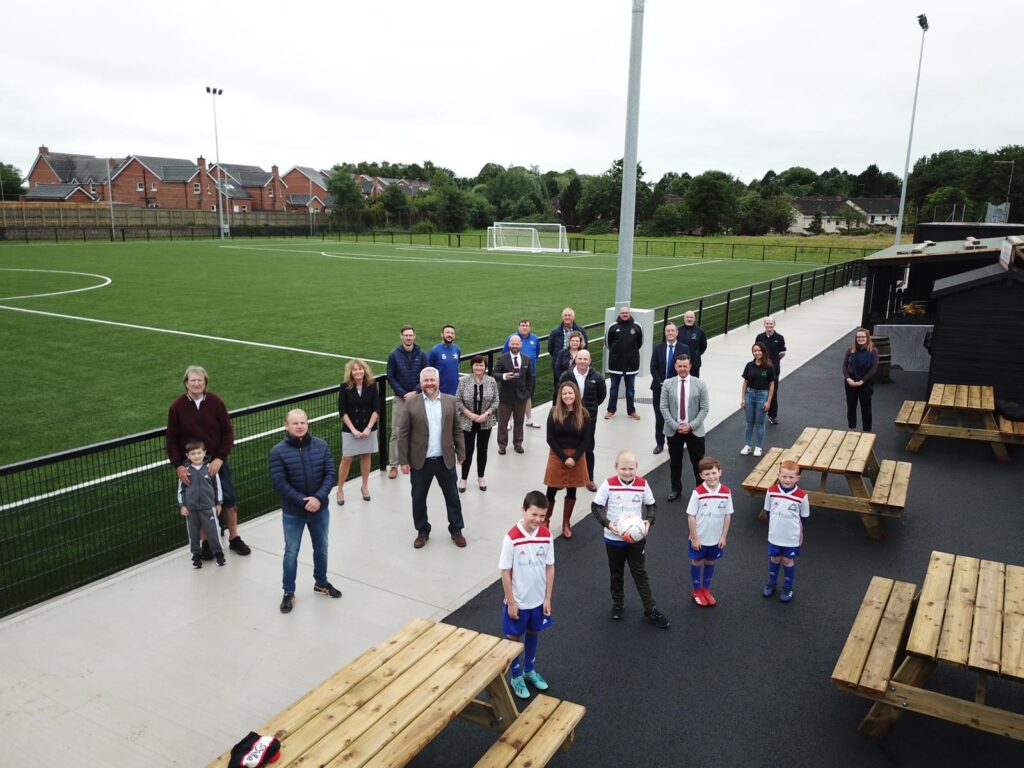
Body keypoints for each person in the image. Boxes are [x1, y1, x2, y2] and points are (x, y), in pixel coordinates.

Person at [166, 365, 251, 559]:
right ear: (186, 383)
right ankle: (206, 543)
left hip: (217, 462)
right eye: (192, 380)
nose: (196, 384)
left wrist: (220, 457)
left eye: (200, 380)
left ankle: (234, 538)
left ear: (205, 383)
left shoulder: (215, 402)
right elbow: (171, 438)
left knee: (228, 499)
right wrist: (179, 465)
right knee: (199, 503)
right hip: (191, 465)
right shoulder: (177, 407)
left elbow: (227, 431)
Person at [269, 409, 340, 614]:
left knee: (322, 548)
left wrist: (318, 498)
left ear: (308, 424)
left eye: (303, 422)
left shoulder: (321, 445)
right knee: (291, 552)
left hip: (320, 509)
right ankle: (288, 591)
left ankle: (321, 583)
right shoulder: (277, 452)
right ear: (286, 425)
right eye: (295, 423)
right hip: (293, 512)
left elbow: (330, 473)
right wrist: (303, 502)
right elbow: (280, 483)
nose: (300, 426)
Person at [590, 449, 670, 628]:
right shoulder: (609, 484)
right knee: (616, 573)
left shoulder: (642, 484)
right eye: (623, 469)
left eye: (631, 468)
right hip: (614, 539)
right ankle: (618, 605)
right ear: (616, 467)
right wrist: (608, 523)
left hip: (636, 539)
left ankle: (650, 609)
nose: (627, 472)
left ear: (636, 468)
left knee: (640, 573)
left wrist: (649, 521)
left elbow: (651, 505)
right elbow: (596, 507)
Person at [396, 367, 466, 549]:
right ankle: (422, 531)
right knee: (418, 499)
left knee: (452, 498)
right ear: (421, 383)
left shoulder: (451, 401)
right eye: (426, 380)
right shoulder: (411, 403)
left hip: (445, 460)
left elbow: (457, 430)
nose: (429, 383)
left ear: (438, 381)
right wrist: (403, 461)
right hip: (421, 462)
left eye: (432, 380)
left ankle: (456, 530)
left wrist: (461, 452)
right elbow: (403, 434)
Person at [500, 490, 555, 700]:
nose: (538, 520)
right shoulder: (511, 538)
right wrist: (512, 602)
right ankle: (515, 676)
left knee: (534, 632)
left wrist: (547, 598)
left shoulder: (546, 535)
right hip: (519, 602)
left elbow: (550, 567)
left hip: (538, 601)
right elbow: (505, 572)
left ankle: (529, 670)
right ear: (523, 510)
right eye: (534, 514)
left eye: (542, 516)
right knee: (514, 638)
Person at [543, 381, 590, 539]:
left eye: (570, 393)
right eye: (564, 394)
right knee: (551, 491)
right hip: (558, 456)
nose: (568, 396)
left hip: (577, 457)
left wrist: (574, 458)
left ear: (575, 394)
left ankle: (566, 523)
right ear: (560, 396)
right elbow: (550, 438)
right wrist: (564, 458)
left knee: (572, 490)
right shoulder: (554, 412)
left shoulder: (583, 414)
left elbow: (586, 440)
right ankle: (545, 522)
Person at [660, 355, 710, 501]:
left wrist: (691, 425)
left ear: (690, 366)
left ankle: (700, 490)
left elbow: (704, 408)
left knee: (698, 463)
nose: (682, 369)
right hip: (673, 430)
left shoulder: (700, 384)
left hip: (694, 430)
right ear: (675, 367)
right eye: (679, 366)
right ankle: (676, 489)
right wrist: (676, 426)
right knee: (675, 462)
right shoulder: (668, 384)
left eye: (685, 366)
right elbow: (663, 407)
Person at [685, 457, 733, 607]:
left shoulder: (726, 492)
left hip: (716, 539)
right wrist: (694, 538)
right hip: (700, 538)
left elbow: (727, 515)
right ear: (701, 476)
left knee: (711, 561)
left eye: (713, 473)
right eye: (707, 474)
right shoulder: (697, 493)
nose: (711, 477)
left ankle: (706, 589)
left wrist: (724, 536)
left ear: (720, 472)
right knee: (698, 561)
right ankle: (696, 590)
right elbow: (691, 516)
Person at [761, 459, 810, 603]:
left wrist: (796, 531)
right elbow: (768, 511)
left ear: (797, 478)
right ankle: (771, 584)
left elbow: (804, 517)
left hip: (791, 537)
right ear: (778, 475)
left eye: (791, 477)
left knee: (788, 560)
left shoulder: (802, 496)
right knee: (775, 558)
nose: (787, 480)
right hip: (775, 535)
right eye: (784, 476)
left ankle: (788, 588)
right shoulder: (771, 491)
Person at [558, 349, 606, 491]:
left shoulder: (597, 377)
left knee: (588, 448)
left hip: (589, 419)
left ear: (590, 361)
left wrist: (587, 410)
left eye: (586, 359)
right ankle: (563, 478)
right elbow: (559, 394)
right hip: (568, 418)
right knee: (566, 447)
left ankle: (589, 479)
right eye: (580, 359)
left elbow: (601, 396)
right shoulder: (566, 376)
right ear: (575, 360)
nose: (583, 362)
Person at [386, 325, 429, 479]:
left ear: (414, 336)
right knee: (396, 432)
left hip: (418, 398)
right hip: (400, 398)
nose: (408, 338)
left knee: (419, 430)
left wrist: (416, 391)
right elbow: (390, 376)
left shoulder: (422, 354)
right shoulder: (394, 355)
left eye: (411, 335)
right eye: (406, 335)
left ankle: (416, 460)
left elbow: (425, 374)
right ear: (401, 336)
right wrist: (403, 393)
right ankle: (393, 465)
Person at [337, 358, 379, 505]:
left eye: (360, 369)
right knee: (346, 458)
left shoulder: (372, 386)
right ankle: (340, 489)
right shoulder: (344, 387)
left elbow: (376, 409)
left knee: (366, 456)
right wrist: (353, 430)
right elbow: (342, 411)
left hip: (369, 428)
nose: (358, 372)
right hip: (350, 429)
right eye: (355, 369)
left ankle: (364, 487)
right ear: (350, 372)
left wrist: (368, 428)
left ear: (364, 370)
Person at [177, 439, 224, 569]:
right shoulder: (186, 471)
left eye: (199, 453)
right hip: (191, 509)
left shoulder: (210, 469)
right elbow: (181, 490)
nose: (196, 456)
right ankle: (196, 556)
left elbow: (217, 487)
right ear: (187, 456)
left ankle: (219, 554)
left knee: (214, 531)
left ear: (204, 453)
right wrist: (182, 505)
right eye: (193, 454)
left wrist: (218, 503)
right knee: (193, 534)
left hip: (208, 507)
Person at [455, 355, 498, 492]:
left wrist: (486, 414)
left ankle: (481, 477)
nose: (479, 367)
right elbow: (458, 400)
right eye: (476, 365)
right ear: (472, 366)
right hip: (467, 422)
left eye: (481, 365)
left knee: (482, 450)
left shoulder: (491, 381)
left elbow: (496, 400)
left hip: (486, 422)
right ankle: (463, 478)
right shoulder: (464, 381)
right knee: (467, 451)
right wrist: (471, 415)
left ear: (485, 367)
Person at [649, 322, 689, 455]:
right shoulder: (658, 348)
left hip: (677, 389)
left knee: (674, 416)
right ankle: (659, 443)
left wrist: (672, 383)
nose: (670, 333)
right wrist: (661, 382)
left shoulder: (684, 348)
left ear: (677, 333)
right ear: (665, 333)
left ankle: (674, 442)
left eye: (672, 331)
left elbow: (686, 368)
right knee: (660, 417)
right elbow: (653, 367)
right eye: (668, 331)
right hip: (659, 388)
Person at [493, 335, 534, 455]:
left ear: (520, 345)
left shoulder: (526, 359)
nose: (514, 346)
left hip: (521, 397)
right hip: (505, 398)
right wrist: (504, 376)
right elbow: (494, 374)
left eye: (517, 344)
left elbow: (529, 378)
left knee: (519, 422)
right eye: (512, 344)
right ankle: (502, 445)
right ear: (509, 345)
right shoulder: (502, 358)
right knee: (503, 423)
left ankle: (518, 444)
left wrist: (527, 393)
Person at [605, 305, 643, 420]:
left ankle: (631, 411)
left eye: (626, 312)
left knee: (630, 389)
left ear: (630, 313)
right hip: (615, 364)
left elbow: (640, 343)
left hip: (631, 364)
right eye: (623, 313)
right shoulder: (613, 327)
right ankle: (611, 410)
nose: (625, 314)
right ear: (619, 314)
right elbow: (608, 343)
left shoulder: (637, 327)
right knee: (613, 389)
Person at [740, 342, 776, 458]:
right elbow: (745, 382)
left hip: (762, 395)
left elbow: (771, 385)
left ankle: (759, 447)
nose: (757, 352)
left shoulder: (769, 367)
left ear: (763, 351)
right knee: (749, 422)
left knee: (760, 423)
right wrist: (743, 398)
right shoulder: (749, 365)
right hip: (750, 395)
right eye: (755, 351)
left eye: (759, 350)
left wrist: (768, 401)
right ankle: (747, 445)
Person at [503, 319, 542, 428]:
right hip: (514, 373)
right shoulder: (512, 338)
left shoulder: (534, 339)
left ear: (530, 327)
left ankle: (529, 420)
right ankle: (509, 422)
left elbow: (536, 353)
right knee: (511, 396)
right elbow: (504, 354)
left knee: (528, 396)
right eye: (522, 325)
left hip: (530, 374)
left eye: (526, 325)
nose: (524, 327)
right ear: (518, 327)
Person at [843, 328, 879, 432]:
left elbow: (874, 369)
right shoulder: (850, 350)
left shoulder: (873, 351)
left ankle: (867, 431)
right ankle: (852, 428)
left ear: (867, 338)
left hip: (865, 382)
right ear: (856, 338)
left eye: (863, 337)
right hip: (850, 382)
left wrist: (862, 381)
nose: (860, 339)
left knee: (866, 407)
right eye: (858, 337)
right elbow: (844, 367)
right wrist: (848, 379)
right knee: (851, 406)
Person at [755, 316, 786, 425]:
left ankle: (772, 416)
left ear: (774, 324)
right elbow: (756, 352)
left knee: (773, 392)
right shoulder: (759, 337)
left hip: (774, 370)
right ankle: (758, 415)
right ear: (764, 325)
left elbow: (782, 353)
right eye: (767, 323)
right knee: (759, 392)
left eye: (771, 323)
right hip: (761, 369)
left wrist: (774, 362)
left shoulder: (780, 338)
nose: (769, 325)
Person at [547, 308, 587, 392]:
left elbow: (585, 347)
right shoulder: (555, 332)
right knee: (559, 391)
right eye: (565, 315)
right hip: (560, 366)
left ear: (573, 317)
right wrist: (560, 358)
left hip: (578, 366)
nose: (567, 317)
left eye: (569, 315)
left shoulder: (581, 331)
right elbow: (550, 348)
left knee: (577, 390)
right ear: (562, 317)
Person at [427, 324, 461, 396]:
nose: (450, 335)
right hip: (440, 392)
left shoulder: (457, 349)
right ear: (442, 334)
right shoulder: (434, 351)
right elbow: (429, 371)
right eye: (447, 332)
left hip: (455, 391)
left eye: (452, 333)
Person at [680, 311, 708, 377]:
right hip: (680, 364)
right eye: (687, 317)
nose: (689, 319)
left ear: (694, 318)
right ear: (684, 318)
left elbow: (703, 345)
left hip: (694, 365)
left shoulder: (699, 331)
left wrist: (696, 354)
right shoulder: (678, 330)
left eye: (691, 317)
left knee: (694, 384)